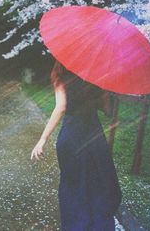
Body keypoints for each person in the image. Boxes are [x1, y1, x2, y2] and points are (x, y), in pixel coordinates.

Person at [31, 60, 122, 231]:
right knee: (98, 182)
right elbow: (109, 112)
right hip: (94, 138)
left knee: (72, 185)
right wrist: (107, 91)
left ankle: (76, 226)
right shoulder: (96, 76)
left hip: (71, 137)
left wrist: (43, 139)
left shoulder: (60, 74)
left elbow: (61, 107)